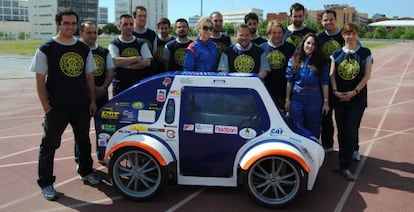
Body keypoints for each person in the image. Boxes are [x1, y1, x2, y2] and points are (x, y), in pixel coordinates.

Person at [30, 9, 101, 201]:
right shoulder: (46, 48)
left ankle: (86, 171)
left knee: (83, 140)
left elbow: (89, 77)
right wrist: (46, 105)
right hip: (56, 107)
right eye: (66, 23)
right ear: (58, 24)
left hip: (80, 105)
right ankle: (46, 183)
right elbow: (39, 80)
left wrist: (92, 100)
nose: (70, 27)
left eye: (73, 23)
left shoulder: (83, 49)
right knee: (49, 146)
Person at [330, 23, 373, 181]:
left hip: (357, 100)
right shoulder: (336, 53)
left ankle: (346, 167)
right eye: (347, 33)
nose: (350, 36)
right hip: (339, 98)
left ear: (357, 34)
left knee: (350, 131)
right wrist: (335, 91)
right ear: (343, 35)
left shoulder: (365, 53)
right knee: (341, 132)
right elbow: (332, 75)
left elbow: (367, 76)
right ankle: (342, 163)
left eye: (353, 33)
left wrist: (354, 92)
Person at [78, 21, 115, 161]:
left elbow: (110, 71)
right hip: (82, 97)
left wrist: (103, 88)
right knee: (82, 134)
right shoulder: (78, 51)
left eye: (94, 32)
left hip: (102, 96)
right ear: (81, 33)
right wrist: (92, 90)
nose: (92, 36)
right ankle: (82, 163)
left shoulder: (104, 52)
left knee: (103, 130)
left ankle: (103, 156)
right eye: (89, 33)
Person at [284, 33, 329, 141]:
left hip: (314, 98)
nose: (310, 46)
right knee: (297, 126)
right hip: (297, 98)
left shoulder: (321, 62)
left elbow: (324, 83)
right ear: (303, 43)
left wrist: (326, 102)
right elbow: (290, 81)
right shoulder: (294, 60)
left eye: (313, 44)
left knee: (314, 127)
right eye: (308, 43)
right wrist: (287, 100)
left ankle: (313, 153)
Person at [318, 9, 345, 152]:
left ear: (336, 20)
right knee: (325, 117)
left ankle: (352, 148)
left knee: (344, 119)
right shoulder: (319, 38)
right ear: (322, 22)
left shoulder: (344, 35)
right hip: (324, 83)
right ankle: (328, 145)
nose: (328, 22)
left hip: (343, 83)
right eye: (325, 20)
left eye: (331, 19)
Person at [109, 14, 152, 95]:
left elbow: (147, 62)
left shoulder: (141, 42)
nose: (128, 27)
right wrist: (136, 58)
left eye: (131, 24)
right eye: (125, 24)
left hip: (139, 85)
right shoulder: (114, 43)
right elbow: (115, 61)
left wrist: (127, 66)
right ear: (119, 26)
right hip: (120, 86)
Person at [259, 20, 296, 110]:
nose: (277, 35)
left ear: (283, 33)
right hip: (266, 92)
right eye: (274, 32)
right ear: (269, 34)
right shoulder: (261, 48)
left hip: (285, 92)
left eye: (279, 32)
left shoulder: (291, 48)